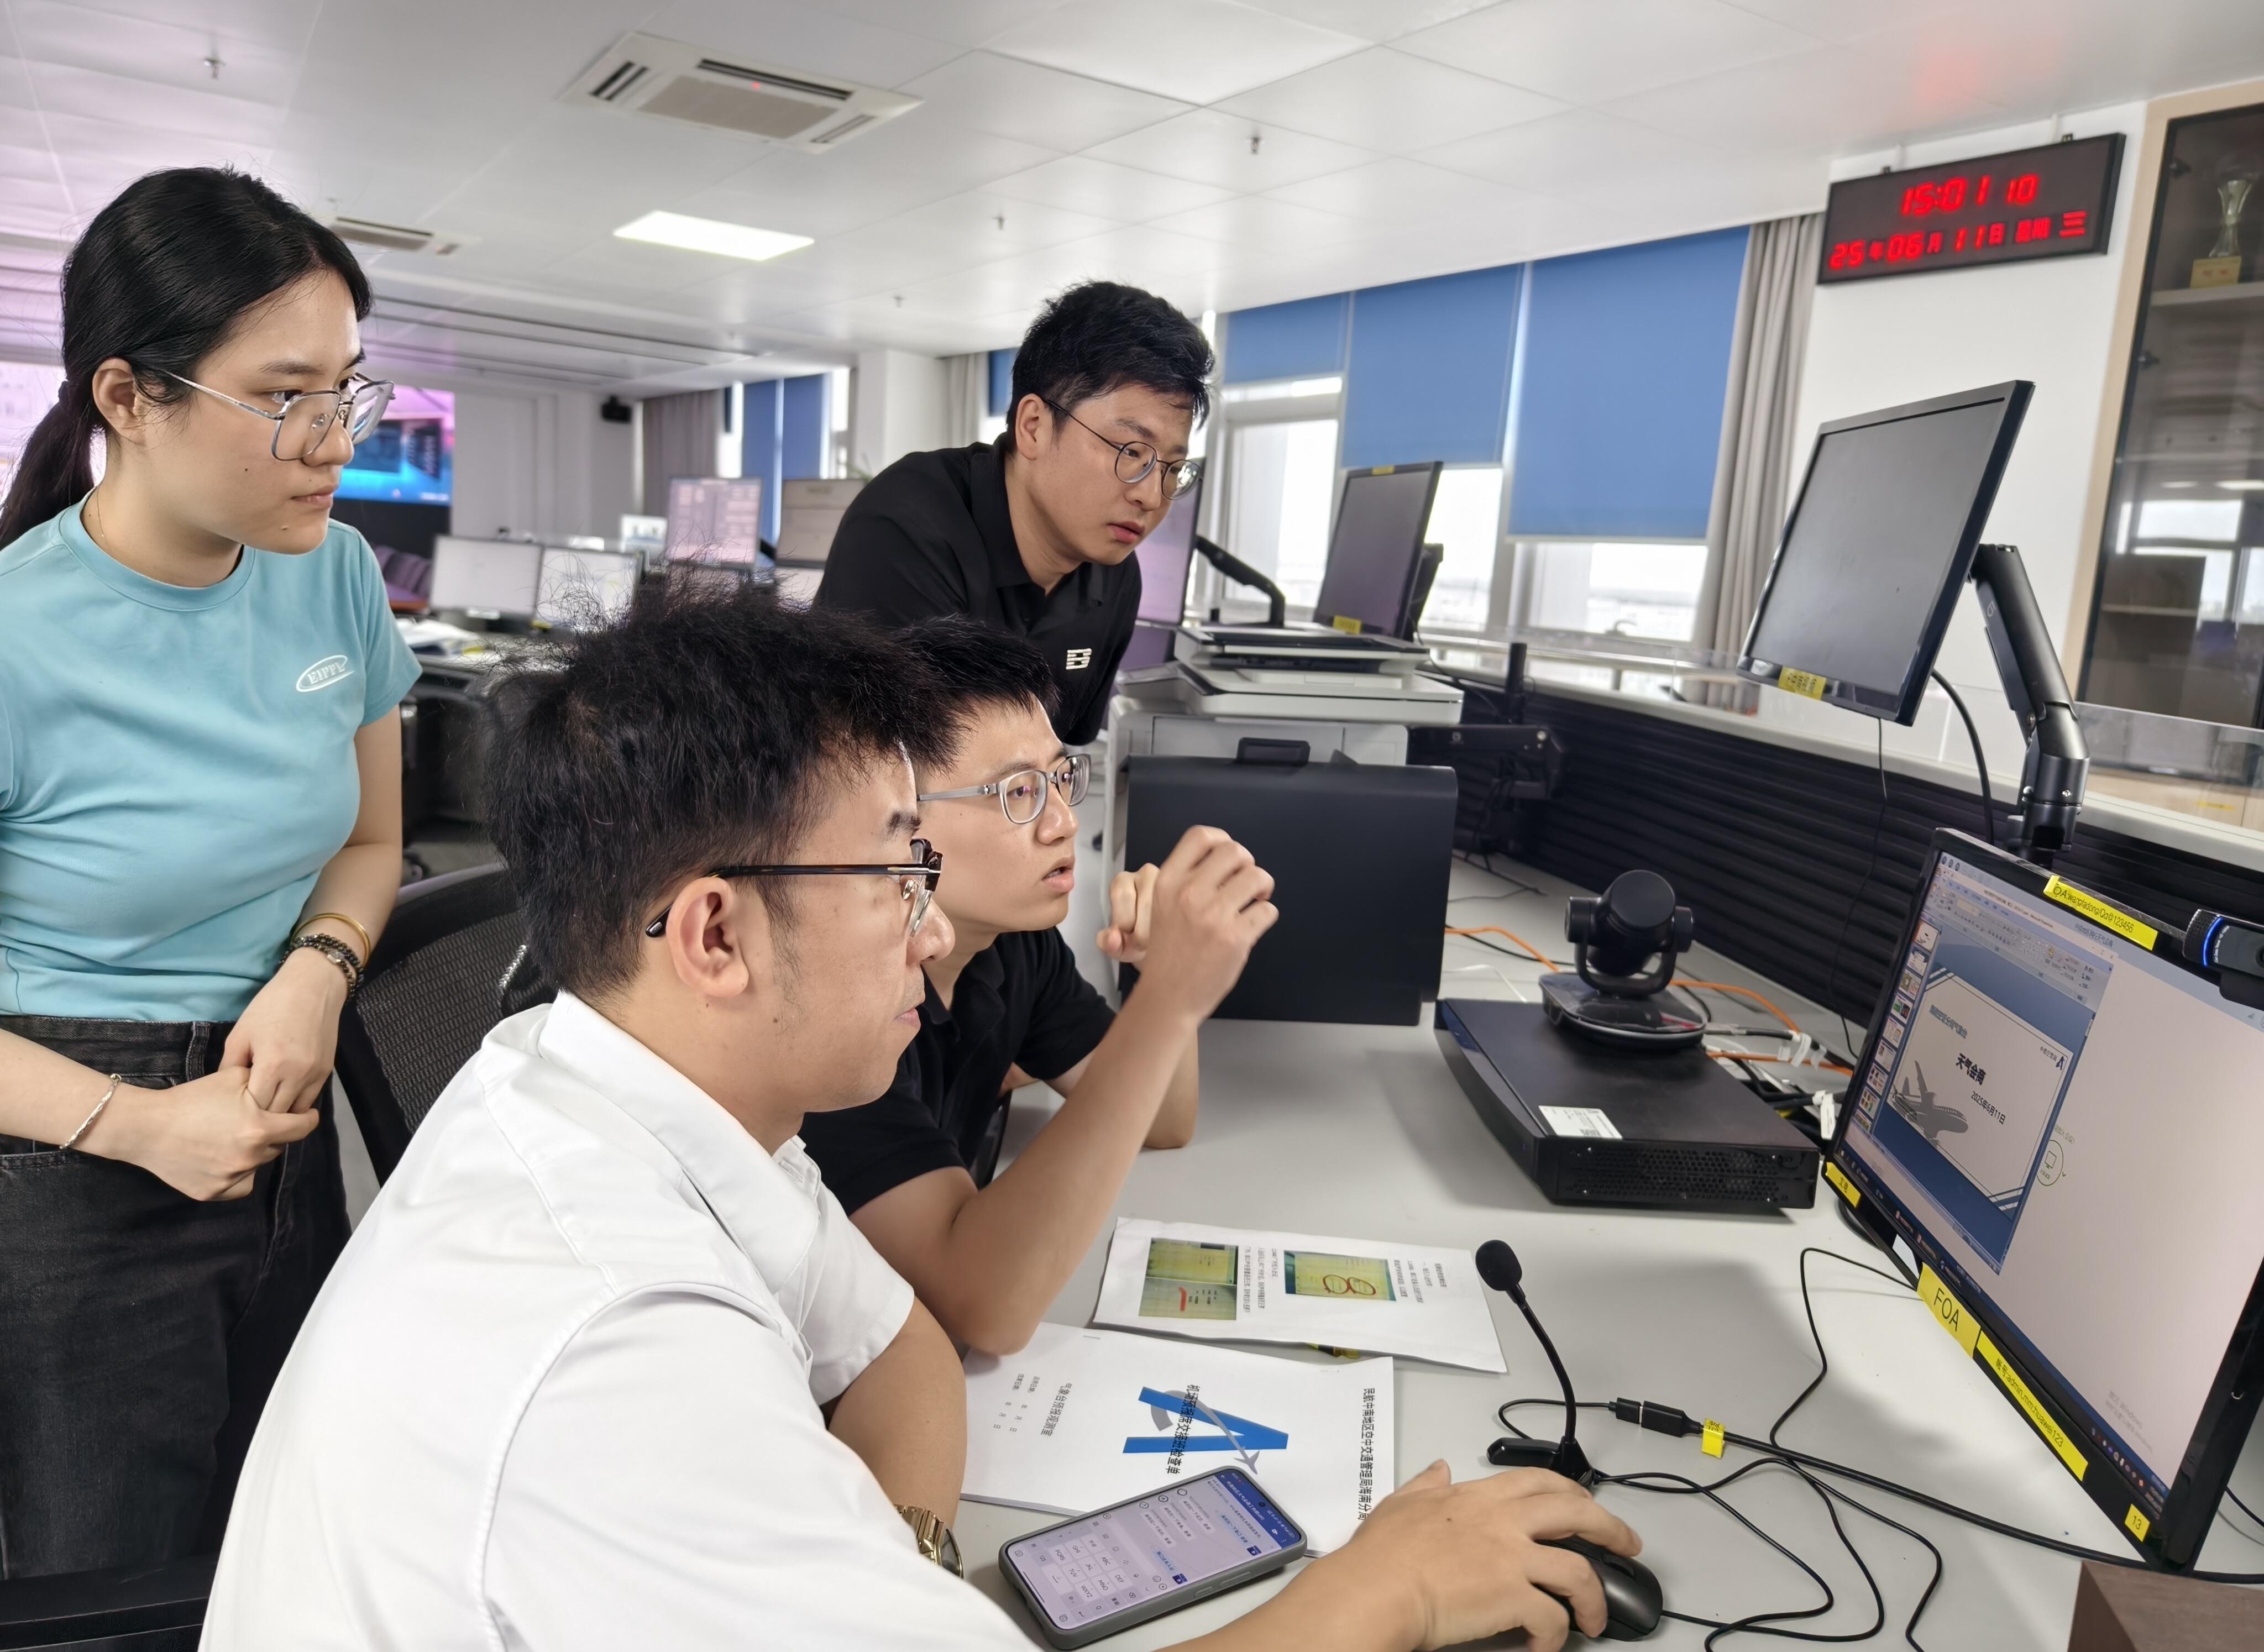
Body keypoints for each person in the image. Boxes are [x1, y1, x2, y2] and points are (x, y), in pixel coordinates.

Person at [203, 579, 1643, 1652]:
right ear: (713, 935)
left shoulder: (620, 1089)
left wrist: (889, 1575)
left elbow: (901, 1349)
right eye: (895, 871)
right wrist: (1381, 1593)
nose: (925, 925)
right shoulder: (613, 1355)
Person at [0, 166, 415, 1577]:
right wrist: (135, 1124)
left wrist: (319, 967)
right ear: (127, 395)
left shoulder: (337, 572)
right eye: (285, 394)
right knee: (115, 1580)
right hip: (69, 1144)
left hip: (283, 1111)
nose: (332, 442)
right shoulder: (15, 636)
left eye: (350, 390)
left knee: (290, 1546)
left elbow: (367, 841)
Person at [800, 617, 1238, 1354]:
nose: (1064, 822)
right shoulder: (830, 1012)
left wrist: (1163, 977)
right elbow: (986, 1310)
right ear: (897, 820)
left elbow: (1165, 1118)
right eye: (1017, 794)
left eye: (1060, 780)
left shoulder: (1013, 946)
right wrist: (1167, 1004)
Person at [816, 280, 1210, 745]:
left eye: (1174, 467)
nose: (1151, 496)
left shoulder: (1116, 576)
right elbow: (890, 781)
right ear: (1034, 427)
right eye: (1130, 450)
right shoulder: (904, 531)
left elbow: (1057, 759)